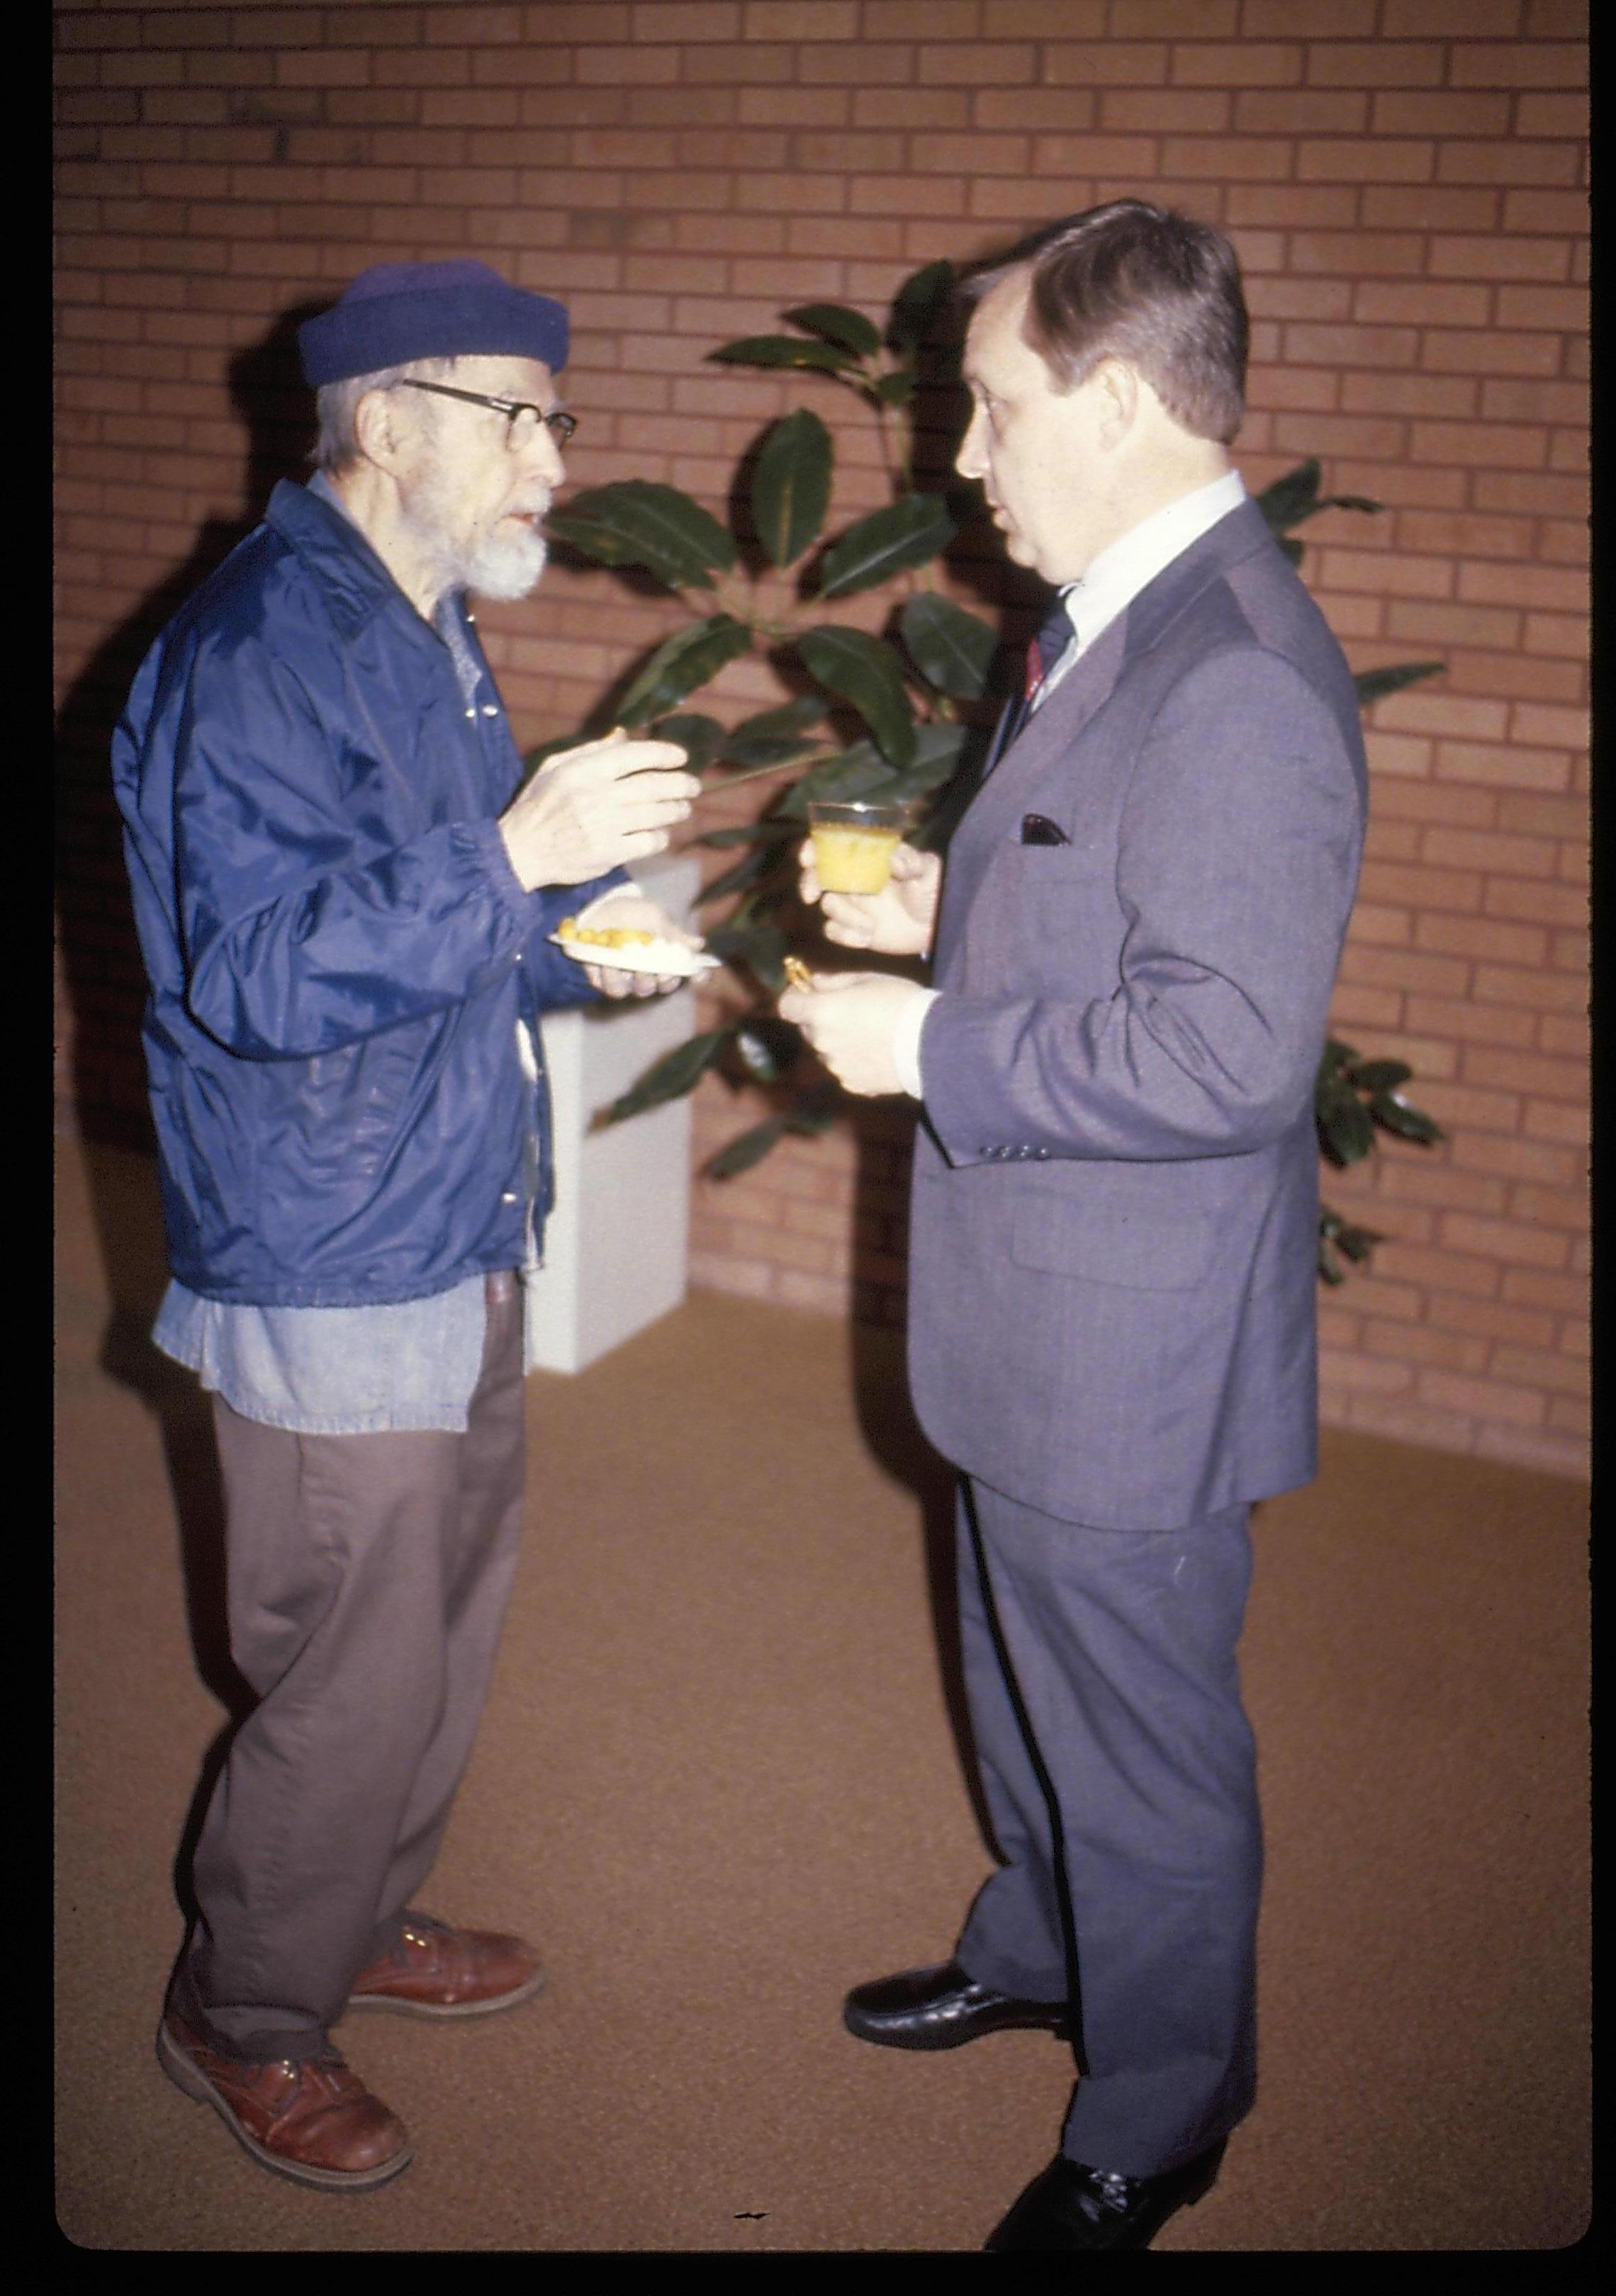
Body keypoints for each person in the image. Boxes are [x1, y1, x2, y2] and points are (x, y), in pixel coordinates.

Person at [781, 202, 1367, 2252]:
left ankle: (1170, 2097)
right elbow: (1117, 903)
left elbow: (1221, 1055)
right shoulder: (1114, 615)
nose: (964, 457)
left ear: (1115, 402)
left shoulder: (1239, 677)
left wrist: (935, 1041)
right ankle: (1043, 1942)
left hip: (1126, 1340)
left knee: (1136, 1724)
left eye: (995, 411)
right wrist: (948, 916)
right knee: (1019, 1666)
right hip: (1041, 1312)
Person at [111, 259, 702, 2193]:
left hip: (451, 1199)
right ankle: (248, 2009)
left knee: (444, 1617)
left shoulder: (421, 622)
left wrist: (566, 946)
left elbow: (434, 933)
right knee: (349, 1664)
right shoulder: (260, 651)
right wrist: (512, 854)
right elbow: (248, 975)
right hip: (327, 1234)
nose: (553, 456)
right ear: (387, 422)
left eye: (555, 415)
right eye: (515, 414)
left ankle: (350, 1911)